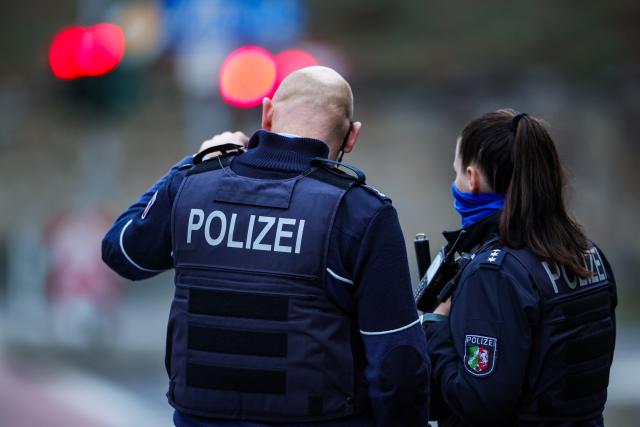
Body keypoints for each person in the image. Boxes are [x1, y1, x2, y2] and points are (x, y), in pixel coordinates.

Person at [101, 66, 429, 427]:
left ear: (267, 113)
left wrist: (192, 163)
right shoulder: (361, 212)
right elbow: (397, 361)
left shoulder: (191, 187)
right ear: (352, 137)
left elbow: (122, 252)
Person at [422, 109, 617, 426]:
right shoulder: (588, 253)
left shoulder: (494, 273)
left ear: (471, 179)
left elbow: (478, 401)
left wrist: (435, 330)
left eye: (456, 171)